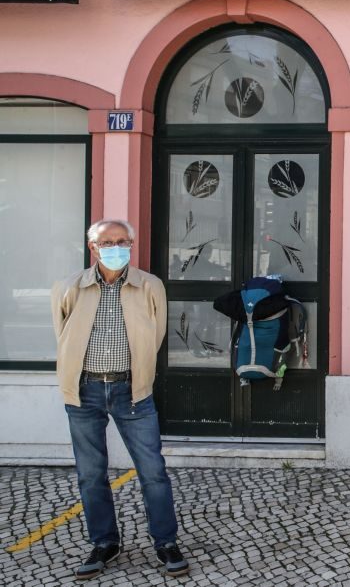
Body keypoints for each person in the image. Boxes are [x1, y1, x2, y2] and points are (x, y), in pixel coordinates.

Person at [51, 219, 189, 579]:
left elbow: (155, 334)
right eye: (107, 242)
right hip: (85, 391)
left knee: (152, 471)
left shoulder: (149, 286)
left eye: (122, 241)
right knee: (91, 473)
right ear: (92, 248)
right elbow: (63, 334)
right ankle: (104, 542)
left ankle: (165, 541)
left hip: (133, 391)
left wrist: (140, 377)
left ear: (131, 244)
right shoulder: (70, 288)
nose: (116, 247)